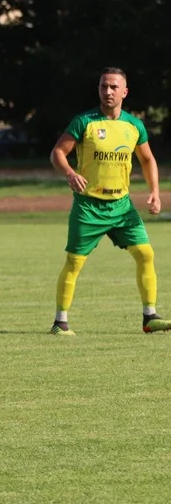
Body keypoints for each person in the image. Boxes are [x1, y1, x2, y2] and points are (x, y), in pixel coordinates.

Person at [49, 67, 165, 336]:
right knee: (74, 262)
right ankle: (60, 323)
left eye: (113, 87)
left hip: (121, 206)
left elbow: (147, 159)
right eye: (103, 86)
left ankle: (150, 317)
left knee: (145, 253)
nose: (108, 91)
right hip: (88, 206)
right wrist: (70, 173)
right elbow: (57, 153)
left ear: (124, 92)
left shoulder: (134, 125)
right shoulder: (84, 122)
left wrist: (155, 191)